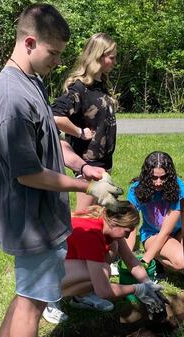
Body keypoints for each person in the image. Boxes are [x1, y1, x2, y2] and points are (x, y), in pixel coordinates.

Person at [0, 4, 122, 337]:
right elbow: (29, 174)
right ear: (29, 42)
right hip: (30, 221)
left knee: (28, 294)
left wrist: (83, 166)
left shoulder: (32, 81)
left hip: (43, 216)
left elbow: (50, 144)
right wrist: (86, 187)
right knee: (32, 303)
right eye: (53, 53)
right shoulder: (11, 96)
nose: (58, 62)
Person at [60, 201, 166, 316]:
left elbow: (130, 260)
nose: (127, 237)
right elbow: (104, 291)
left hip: (65, 265)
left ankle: (82, 295)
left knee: (113, 247)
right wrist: (138, 289)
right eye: (127, 232)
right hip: (49, 275)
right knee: (103, 272)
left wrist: (148, 283)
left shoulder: (107, 223)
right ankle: (51, 299)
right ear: (115, 222)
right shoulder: (92, 234)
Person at [52, 33, 119, 211]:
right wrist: (79, 132)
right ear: (98, 56)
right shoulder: (79, 88)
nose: (115, 62)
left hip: (104, 162)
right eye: (112, 57)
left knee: (98, 216)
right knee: (84, 216)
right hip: (88, 165)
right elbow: (55, 116)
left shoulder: (101, 85)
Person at [126, 151, 184, 273]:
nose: (158, 182)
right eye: (154, 178)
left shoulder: (179, 188)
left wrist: (144, 261)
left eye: (163, 177)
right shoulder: (136, 189)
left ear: (169, 176)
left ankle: (167, 255)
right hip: (152, 234)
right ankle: (159, 258)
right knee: (183, 261)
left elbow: (166, 231)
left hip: (179, 231)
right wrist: (128, 258)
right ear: (147, 175)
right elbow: (131, 227)